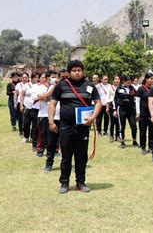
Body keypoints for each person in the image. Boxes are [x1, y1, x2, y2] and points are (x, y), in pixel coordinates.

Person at [49, 60, 101, 194]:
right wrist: (50, 122)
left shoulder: (89, 86)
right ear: (69, 72)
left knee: (81, 156)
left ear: (82, 71)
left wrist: (92, 118)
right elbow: (52, 104)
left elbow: (98, 103)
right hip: (66, 126)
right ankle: (64, 183)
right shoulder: (61, 85)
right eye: (74, 70)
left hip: (83, 127)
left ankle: (81, 182)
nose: (77, 72)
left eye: (79, 70)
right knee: (66, 156)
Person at [113, 76, 138, 148]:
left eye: (130, 81)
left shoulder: (132, 88)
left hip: (131, 110)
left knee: (134, 126)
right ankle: (122, 142)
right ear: (124, 81)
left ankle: (134, 141)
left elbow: (136, 97)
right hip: (122, 109)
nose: (129, 82)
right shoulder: (119, 89)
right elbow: (115, 99)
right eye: (128, 81)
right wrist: (115, 110)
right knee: (122, 126)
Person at [135, 73, 153, 155]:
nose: (152, 80)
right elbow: (137, 101)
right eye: (151, 79)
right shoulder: (141, 89)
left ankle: (151, 147)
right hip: (143, 113)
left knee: (152, 131)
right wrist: (138, 112)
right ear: (146, 79)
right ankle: (143, 147)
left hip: (152, 113)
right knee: (143, 131)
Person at [20, 72, 40, 143]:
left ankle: (33, 137)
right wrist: (21, 105)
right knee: (26, 123)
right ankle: (26, 136)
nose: (36, 79)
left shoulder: (39, 86)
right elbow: (22, 95)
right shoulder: (26, 85)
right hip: (27, 107)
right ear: (32, 78)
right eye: (35, 77)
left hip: (36, 108)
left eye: (38, 77)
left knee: (35, 124)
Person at [107, 75, 121, 142]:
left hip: (119, 106)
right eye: (115, 79)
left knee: (118, 122)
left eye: (118, 79)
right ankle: (111, 136)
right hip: (111, 106)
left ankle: (118, 136)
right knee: (112, 122)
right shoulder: (110, 88)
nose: (117, 80)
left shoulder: (121, 88)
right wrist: (107, 107)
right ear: (113, 80)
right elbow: (108, 97)